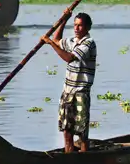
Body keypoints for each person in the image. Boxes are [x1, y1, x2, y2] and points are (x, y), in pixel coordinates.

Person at [41, 10, 97, 153]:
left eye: (80, 26)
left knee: (82, 131)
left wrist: (50, 44)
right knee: (67, 129)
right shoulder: (72, 41)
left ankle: (84, 160)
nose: (77, 29)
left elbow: (69, 58)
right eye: (75, 25)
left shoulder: (89, 44)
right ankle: (69, 155)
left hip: (80, 92)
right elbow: (57, 39)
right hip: (67, 91)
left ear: (87, 28)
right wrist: (64, 20)